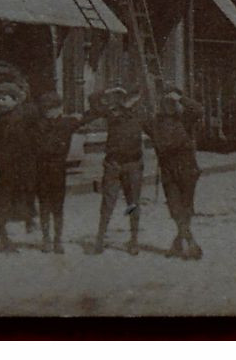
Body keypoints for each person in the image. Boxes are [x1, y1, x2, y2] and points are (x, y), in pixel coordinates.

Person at [0, 62, 38, 253]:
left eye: (4, 99)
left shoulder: (21, 117)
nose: (0, 102)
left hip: (16, 168)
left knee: (3, 205)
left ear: (15, 100)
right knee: (1, 205)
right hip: (3, 168)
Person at [86, 85, 148, 255]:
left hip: (133, 164)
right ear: (123, 98)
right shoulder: (112, 112)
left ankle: (134, 240)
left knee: (132, 203)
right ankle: (100, 238)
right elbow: (93, 100)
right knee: (108, 201)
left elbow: (155, 131)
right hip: (113, 164)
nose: (133, 101)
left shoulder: (141, 115)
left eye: (136, 98)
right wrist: (107, 90)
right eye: (130, 98)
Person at [148, 87, 204, 260]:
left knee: (185, 207)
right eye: (165, 101)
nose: (168, 105)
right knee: (174, 208)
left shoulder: (185, 119)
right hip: (168, 171)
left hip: (187, 168)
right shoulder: (155, 122)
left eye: (171, 102)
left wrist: (181, 97)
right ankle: (190, 242)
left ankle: (179, 242)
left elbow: (198, 110)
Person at [31, 92, 83, 252]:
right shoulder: (36, 124)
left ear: (59, 108)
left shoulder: (68, 123)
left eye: (52, 108)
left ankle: (57, 240)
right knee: (44, 206)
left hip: (58, 171)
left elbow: (91, 115)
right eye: (46, 109)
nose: (49, 112)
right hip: (40, 170)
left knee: (58, 206)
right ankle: (46, 239)